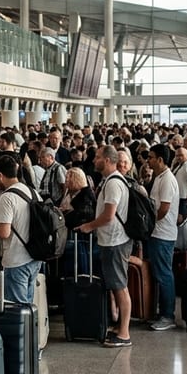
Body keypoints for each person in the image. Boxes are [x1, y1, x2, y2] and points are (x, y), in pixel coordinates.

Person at [76, 145, 133, 347]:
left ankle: (124, 333)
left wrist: (88, 226)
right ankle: (120, 328)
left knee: (120, 286)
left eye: (98, 157)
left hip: (116, 240)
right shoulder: (110, 181)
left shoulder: (113, 184)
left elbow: (109, 215)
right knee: (116, 285)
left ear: (107, 160)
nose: (94, 160)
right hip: (111, 239)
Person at [0, 154, 41, 306]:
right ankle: (31, 331)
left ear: (0, 175)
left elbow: (4, 233)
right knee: (28, 307)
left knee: (16, 311)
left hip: (16, 259)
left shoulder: (7, 197)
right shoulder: (31, 191)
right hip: (33, 257)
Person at [145, 144, 179, 332]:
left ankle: (168, 315)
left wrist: (150, 222)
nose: (148, 160)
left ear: (160, 159)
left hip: (163, 234)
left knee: (164, 274)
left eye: (151, 157)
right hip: (157, 233)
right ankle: (162, 312)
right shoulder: (159, 178)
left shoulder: (167, 180)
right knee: (159, 273)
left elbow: (164, 208)